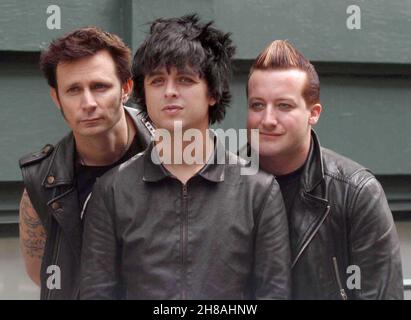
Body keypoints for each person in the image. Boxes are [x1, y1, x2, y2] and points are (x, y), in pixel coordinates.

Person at [80, 14, 290, 300]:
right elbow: (97, 293)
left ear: (212, 93)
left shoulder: (258, 191)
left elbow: (273, 294)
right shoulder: (113, 190)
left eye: (184, 79)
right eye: (156, 81)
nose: (169, 92)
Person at [245, 40, 403, 299]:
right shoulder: (225, 181)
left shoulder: (356, 193)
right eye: (257, 105)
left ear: (313, 113)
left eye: (284, 106)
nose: (267, 120)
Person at [18, 27, 153, 299]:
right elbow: (41, 272)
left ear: (126, 88)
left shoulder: (172, 150)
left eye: (99, 86)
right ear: (57, 98)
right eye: (73, 90)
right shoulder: (43, 181)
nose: (88, 103)